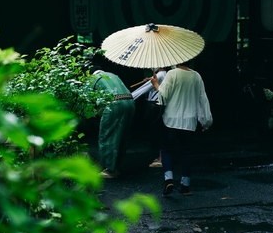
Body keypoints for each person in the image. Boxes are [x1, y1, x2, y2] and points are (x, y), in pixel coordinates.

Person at [151, 60, 212, 196]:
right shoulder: (196, 76)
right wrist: (205, 122)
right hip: (189, 122)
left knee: (166, 150)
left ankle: (169, 180)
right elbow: (203, 100)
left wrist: (156, 85)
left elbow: (163, 98)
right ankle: (185, 186)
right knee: (186, 152)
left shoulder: (172, 74)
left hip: (171, 120)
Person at [90, 65, 136, 179]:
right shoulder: (113, 75)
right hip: (130, 102)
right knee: (122, 135)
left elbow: (88, 99)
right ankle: (115, 165)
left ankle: (109, 169)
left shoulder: (94, 78)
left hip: (114, 104)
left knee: (107, 134)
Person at [130, 67, 167, 168]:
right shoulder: (164, 75)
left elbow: (142, 90)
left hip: (156, 105)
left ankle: (161, 158)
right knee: (160, 131)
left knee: (157, 132)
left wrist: (128, 97)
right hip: (160, 105)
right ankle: (161, 157)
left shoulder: (159, 75)